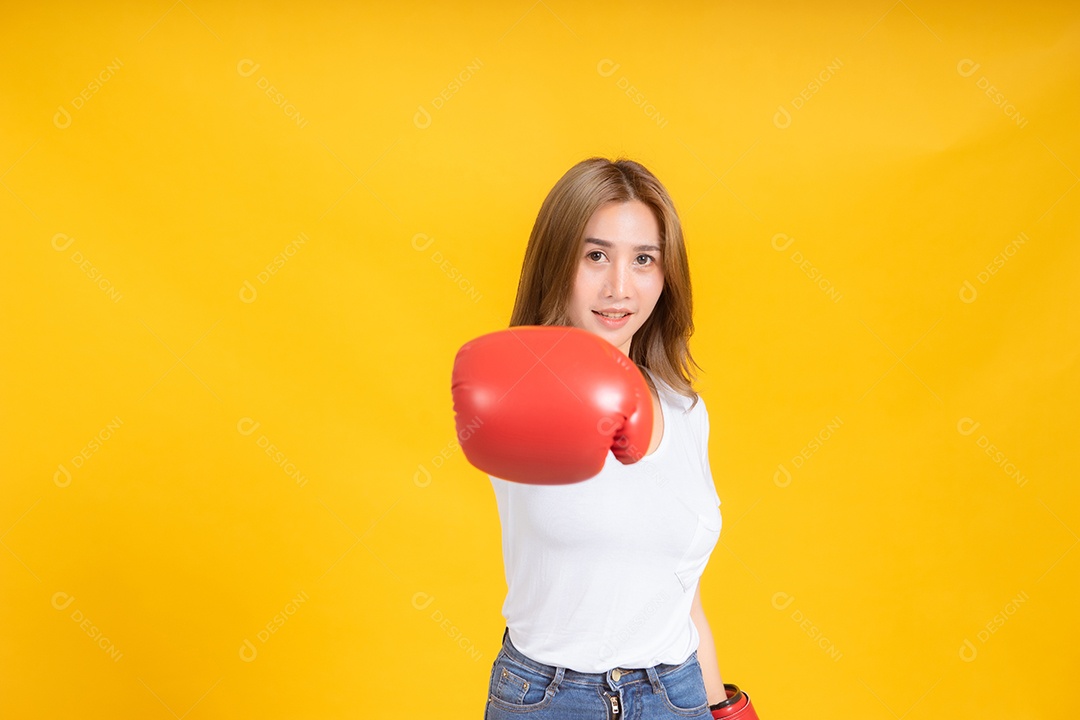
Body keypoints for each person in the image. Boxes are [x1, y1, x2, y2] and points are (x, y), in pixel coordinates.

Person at [458, 158, 755, 718]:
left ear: (666, 276)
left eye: (644, 260)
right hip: (552, 699)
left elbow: (683, 597)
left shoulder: (685, 409)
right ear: (557, 264)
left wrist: (724, 709)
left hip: (677, 694)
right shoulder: (515, 391)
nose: (619, 287)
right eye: (595, 256)